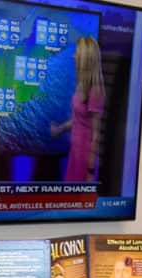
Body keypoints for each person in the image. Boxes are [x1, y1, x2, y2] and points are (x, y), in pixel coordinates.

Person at [52, 36, 104, 182]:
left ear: (85, 58)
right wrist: (60, 128)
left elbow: (96, 135)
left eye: (77, 53)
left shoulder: (95, 91)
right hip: (76, 152)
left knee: (79, 200)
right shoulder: (82, 85)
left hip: (86, 158)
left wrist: (90, 171)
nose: (74, 56)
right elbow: (78, 119)